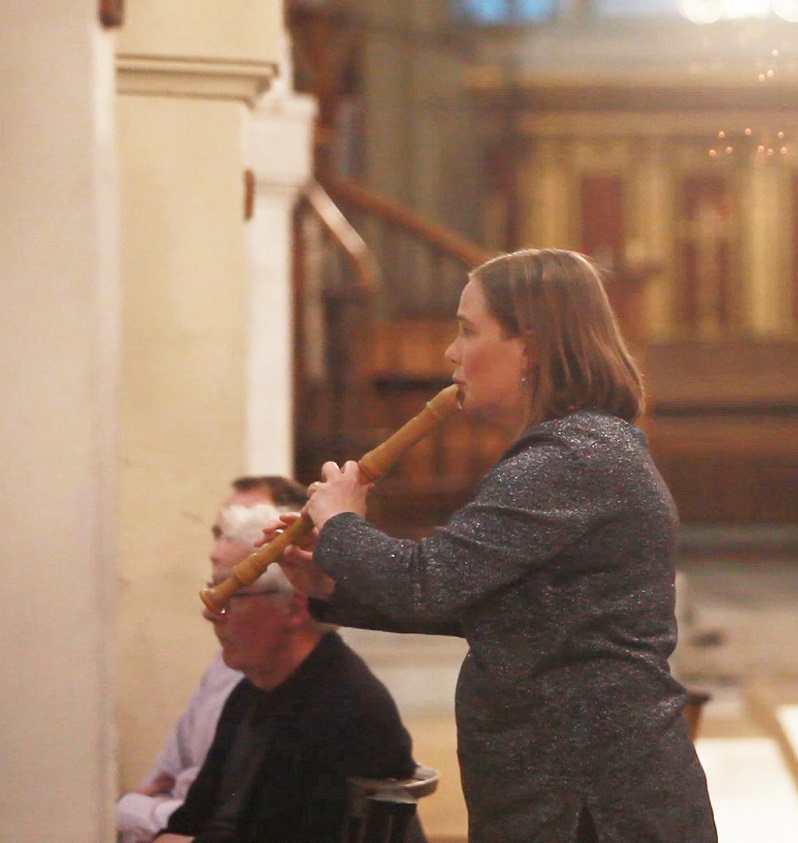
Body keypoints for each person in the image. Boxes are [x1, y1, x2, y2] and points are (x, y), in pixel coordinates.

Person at [276, 248, 717, 842]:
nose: (450, 353)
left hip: (591, 795)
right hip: (567, 786)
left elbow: (428, 583)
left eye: (468, 330)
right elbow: (499, 610)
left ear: (529, 347)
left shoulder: (571, 457)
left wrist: (340, 524)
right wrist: (331, 583)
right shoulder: (577, 448)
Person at [156, 496, 417, 842]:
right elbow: (193, 817)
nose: (210, 613)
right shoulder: (251, 690)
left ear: (295, 607)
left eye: (230, 594)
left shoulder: (345, 707)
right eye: (212, 590)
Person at [116, 476, 307, 843]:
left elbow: (246, 820)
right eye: (221, 532)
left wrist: (138, 815)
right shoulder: (235, 670)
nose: (219, 548)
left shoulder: (301, 684)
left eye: (241, 531)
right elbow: (169, 776)